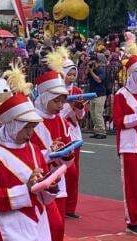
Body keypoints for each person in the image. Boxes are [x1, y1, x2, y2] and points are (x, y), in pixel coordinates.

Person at [0, 63, 58, 241]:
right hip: (10, 222)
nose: (31, 132)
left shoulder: (34, 148)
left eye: (33, 127)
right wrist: (26, 189)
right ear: (14, 125)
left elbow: (42, 188)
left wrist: (50, 185)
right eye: (27, 127)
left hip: (38, 215)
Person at [30, 50, 77, 241]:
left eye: (62, 100)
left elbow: (69, 155)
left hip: (59, 179)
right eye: (55, 100)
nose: (60, 105)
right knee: (49, 227)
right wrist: (50, 153)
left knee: (59, 230)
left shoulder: (61, 121)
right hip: (40, 182)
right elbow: (28, 153)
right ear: (44, 98)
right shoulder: (31, 121)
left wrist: (66, 154)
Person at [112, 41, 137, 235]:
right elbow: (119, 121)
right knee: (132, 185)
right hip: (129, 146)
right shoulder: (121, 95)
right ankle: (132, 220)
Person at [59, 51, 86, 219]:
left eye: (73, 74)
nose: (71, 77)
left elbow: (81, 117)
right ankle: (58, 205)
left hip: (74, 135)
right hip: (60, 134)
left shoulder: (77, 90)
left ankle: (70, 207)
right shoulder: (55, 90)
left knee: (74, 174)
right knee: (61, 171)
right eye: (68, 74)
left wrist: (78, 107)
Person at [87, 53, 107, 139]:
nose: (91, 63)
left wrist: (91, 71)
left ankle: (102, 132)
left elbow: (99, 80)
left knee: (98, 114)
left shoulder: (101, 69)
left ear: (96, 62)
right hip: (92, 94)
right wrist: (89, 69)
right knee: (93, 114)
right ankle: (97, 131)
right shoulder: (92, 70)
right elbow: (85, 76)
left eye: (92, 62)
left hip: (100, 94)